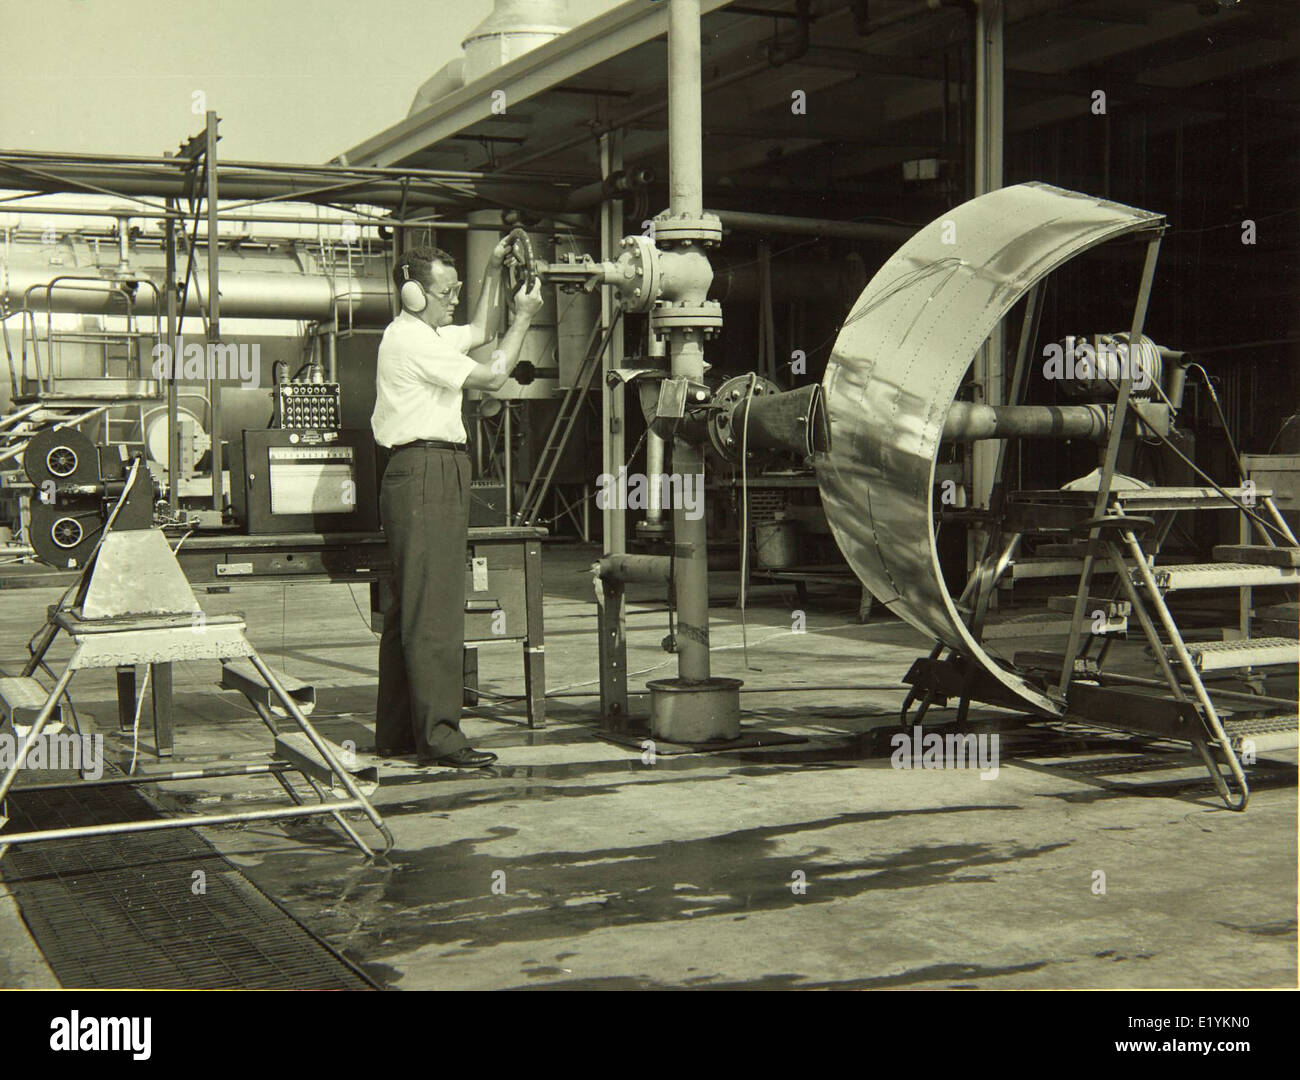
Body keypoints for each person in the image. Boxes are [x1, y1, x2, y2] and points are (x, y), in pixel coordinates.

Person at [371, 240, 543, 767]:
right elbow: (493, 372)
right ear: (414, 294)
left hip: (425, 470)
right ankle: (441, 738)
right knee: (437, 610)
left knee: (412, 609)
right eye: (446, 293)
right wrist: (525, 318)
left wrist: (491, 269)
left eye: (457, 291)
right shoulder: (413, 343)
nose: (454, 301)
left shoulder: (425, 333)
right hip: (428, 470)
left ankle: (400, 733)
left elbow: (480, 331)